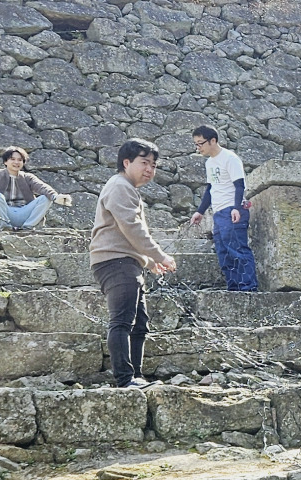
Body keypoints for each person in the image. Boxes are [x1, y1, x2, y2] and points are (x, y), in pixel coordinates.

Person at [90, 139, 177, 388]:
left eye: (153, 165)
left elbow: (126, 233)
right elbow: (132, 227)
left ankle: (136, 377)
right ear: (126, 163)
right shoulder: (119, 186)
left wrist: (148, 262)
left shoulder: (126, 187)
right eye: (144, 162)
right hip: (115, 261)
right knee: (122, 322)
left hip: (126, 261)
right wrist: (159, 255)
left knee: (139, 325)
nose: (149, 169)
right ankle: (125, 379)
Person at [187, 126, 258, 293]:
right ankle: (234, 289)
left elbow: (239, 185)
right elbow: (210, 189)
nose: (198, 147)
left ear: (213, 140)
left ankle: (248, 289)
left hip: (232, 209)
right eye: (196, 144)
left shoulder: (230, 158)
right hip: (219, 213)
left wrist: (236, 207)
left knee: (237, 250)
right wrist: (200, 211)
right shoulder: (210, 163)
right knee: (224, 253)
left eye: (200, 143)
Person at [0, 147, 70, 230]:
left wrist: (55, 196)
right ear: (5, 161)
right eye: (12, 159)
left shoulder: (27, 177)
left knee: (46, 197)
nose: (16, 162)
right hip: (5, 212)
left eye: (20, 160)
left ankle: (28, 227)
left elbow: (41, 186)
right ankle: (5, 227)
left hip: (24, 212)